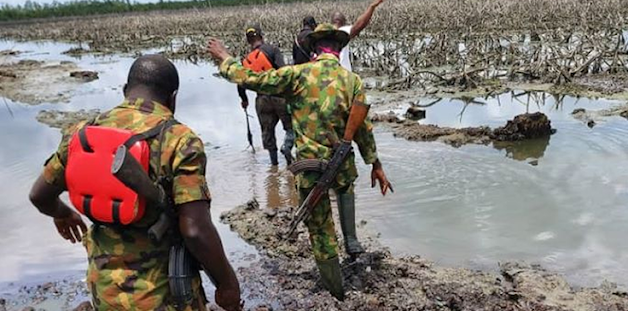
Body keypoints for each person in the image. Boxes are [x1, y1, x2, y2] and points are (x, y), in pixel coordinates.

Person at [28, 55, 241, 311]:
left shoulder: (82, 133)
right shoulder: (178, 140)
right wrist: (227, 284)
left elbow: (40, 195)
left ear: (125, 91)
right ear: (173, 98)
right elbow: (195, 230)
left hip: (104, 291)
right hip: (163, 295)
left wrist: (62, 213)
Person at [207, 24, 393, 300]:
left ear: (313, 49)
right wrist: (376, 165)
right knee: (345, 192)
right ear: (339, 50)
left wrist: (226, 59)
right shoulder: (352, 81)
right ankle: (352, 246)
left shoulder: (298, 75)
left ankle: (336, 293)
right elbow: (363, 129)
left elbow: (254, 80)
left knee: (321, 233)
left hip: (310, 170)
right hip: (342, 166)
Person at [239, 23, 294, 166]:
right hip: (279, 96)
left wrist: (244, 100)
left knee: (267, 132)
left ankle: (274, 163)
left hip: (261, 100)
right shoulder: (272, 50)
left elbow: (241, 83)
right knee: (290, 127)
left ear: (248, 40)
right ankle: (287, 148)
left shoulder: (246, 59)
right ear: (261, 36)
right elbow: (283, 71)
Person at [332, 0, 386, 71]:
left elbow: (359, 25)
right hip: (343, 77)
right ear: (344, 22)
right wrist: (371, 7)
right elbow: (359, 25)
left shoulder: (322, 34)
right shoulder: (343, 32)